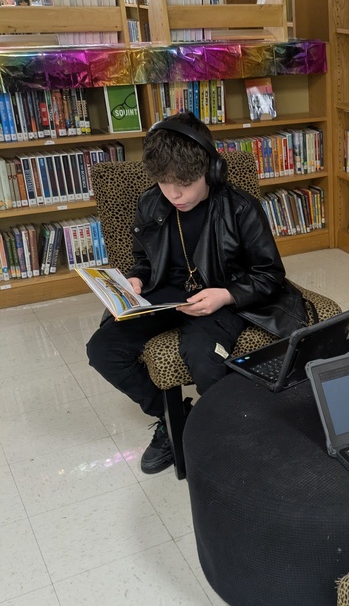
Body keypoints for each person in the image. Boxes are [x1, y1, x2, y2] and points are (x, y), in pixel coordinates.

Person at [87, 111, 307, 474]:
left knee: (202, 355)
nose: (174, 194)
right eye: (163, 183)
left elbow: (269, 275)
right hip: (168, 292)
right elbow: (143, 260)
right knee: (102, 350)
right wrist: (136, 280)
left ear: (210, 170)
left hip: (224, 293)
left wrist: (226, 295)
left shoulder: (240, 209)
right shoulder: (150, 204)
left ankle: (228, 433)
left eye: (185, 183)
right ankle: (174, 418)